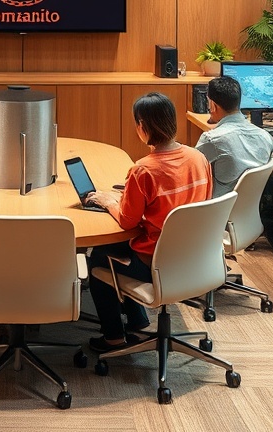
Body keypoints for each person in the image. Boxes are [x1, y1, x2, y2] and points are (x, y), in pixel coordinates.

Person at [85, 92, 213, 352]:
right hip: (193, 256)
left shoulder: (143, 170)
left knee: (98, 256)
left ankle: (113, 338)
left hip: (155, 261)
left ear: (142, 127)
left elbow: (126, 220)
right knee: (121, 248)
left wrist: (109, 201)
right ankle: (137, 318)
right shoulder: (198, 158)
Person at [195, 76, 273, 198]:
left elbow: (191, 172)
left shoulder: (212, 140)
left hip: (215, 214)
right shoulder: (266, 137)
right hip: (249, 214)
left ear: (212, 105)